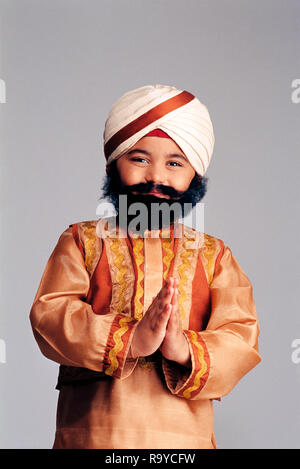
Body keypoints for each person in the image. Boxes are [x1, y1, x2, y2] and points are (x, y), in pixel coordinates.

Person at [30, 84, 261, 449]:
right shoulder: (82, 241)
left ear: (194, 177)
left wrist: (182, 348)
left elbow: (240, 337)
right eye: (139, 159)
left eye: (174, 163)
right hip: (92, 436)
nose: (156, 177)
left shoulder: (214, 255)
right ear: (112, 165)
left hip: (184, 441)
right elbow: (49, 316)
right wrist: (130, 339)